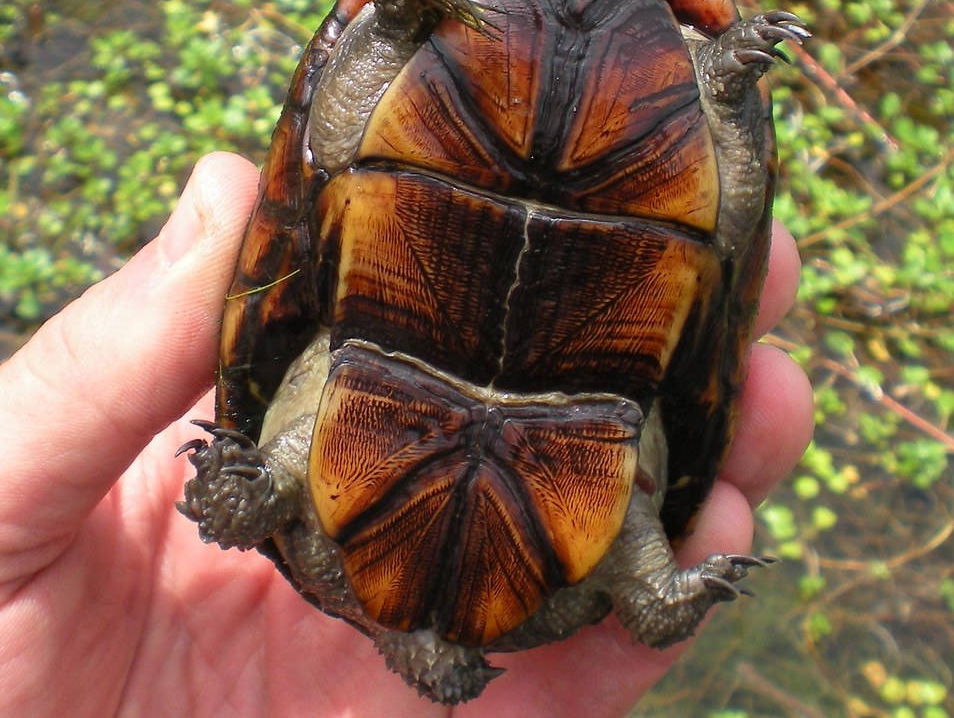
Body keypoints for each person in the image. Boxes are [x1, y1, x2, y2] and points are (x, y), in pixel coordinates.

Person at [0, 152, 813, 716]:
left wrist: (245, 494)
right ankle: (638, 588)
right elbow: (726, 225)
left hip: (381, 388)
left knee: (295, 470)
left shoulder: (442, 35)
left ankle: (281, 491)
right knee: (612, 523)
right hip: (560, 426)